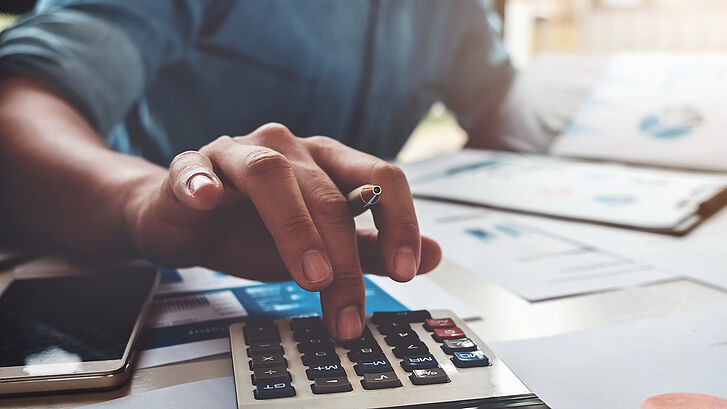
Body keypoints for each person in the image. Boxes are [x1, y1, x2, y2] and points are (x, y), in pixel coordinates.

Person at [0, 0, 550, 340]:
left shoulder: (453, 11)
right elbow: (18, 99)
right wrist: (137, 201)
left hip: (331, 281)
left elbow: (502, 109)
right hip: (123, 276)